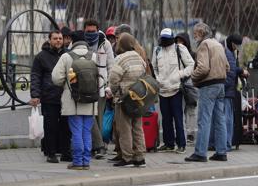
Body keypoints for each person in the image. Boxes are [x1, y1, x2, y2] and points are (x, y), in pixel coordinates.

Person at [52, 31, 98, 170]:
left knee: (76, 131)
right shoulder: (94, 56)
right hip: (90, 100)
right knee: (86, 131)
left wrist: (67, 83)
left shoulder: (66, 56)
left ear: (72, 42)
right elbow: (102, 76)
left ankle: (77, 162)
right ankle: (86, 161)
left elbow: (56, 78)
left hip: (73, 100)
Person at [185, 23, 230, 162]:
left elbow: (203, 68)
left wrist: (193, 76)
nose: (193, 36)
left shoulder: (204, 45)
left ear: (201, 33)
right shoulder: (218, 45)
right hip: (221, 84)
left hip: (209, 85)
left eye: (195, 33)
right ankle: (221, 152)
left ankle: (200, 153)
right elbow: (227, 66)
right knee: (220, 119)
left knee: (204, 120)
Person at [108, 24, 150, 163]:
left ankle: (127, 156)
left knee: (124, 127)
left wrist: (114, 92)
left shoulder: (120, 58)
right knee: (137, 127)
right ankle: (140, 156)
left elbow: (114, 78)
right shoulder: (139, 57)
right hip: (138, 97)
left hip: (124, 98)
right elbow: (144, 74)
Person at [30, 30, 71, 163]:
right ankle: (51, 153)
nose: (58, 41)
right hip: (49, 97)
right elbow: (35, 76)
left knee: (66, 127)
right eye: (55, 38)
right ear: (49, 40)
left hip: (65, 97)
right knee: (50, 126)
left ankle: (65, 152)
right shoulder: (41, 56)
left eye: (60, 38)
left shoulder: (67, 55)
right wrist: (35, 95)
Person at [152, 28, 194, 154]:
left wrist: (179, 75)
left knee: (178, 117)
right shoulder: (157, 50)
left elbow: (191, 64)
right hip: (163, 89)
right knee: (166, 118)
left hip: (176, 89)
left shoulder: (179, 49)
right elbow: (154, 66)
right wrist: (158, 78)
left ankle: (181, 144)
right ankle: (168, 144)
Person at [83, 19, 115, 159]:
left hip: (101, 87)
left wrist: (109, 87)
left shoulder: (105, 43)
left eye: (93, 31)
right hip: (85, 86)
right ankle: (96, 145)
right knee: (89, 116)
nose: (90, 34)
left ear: (98, 30)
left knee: (99, 118)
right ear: (84, 30)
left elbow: (111, 66)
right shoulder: (81, 43)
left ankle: (99, 146)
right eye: (88, 31)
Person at [211, 34, 248, 151]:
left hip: (225, 89)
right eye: (236, 46)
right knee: (226, 118)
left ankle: (220, 143)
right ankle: (226, 143)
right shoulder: (227, 52)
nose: (237, 48)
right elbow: (231, 72)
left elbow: (230, 70)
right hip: (227, 90)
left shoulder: (225, 50)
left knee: (221, 118)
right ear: (232, 43)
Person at [176, 32, 197, 144]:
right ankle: (184, 134)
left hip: (189, 84)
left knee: (191, 109)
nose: (179, 43)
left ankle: (191, 133)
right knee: (182, 109)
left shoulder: (193, 54)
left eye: (182, 41)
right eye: (178, 41)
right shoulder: (175, 53)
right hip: (181, 83)